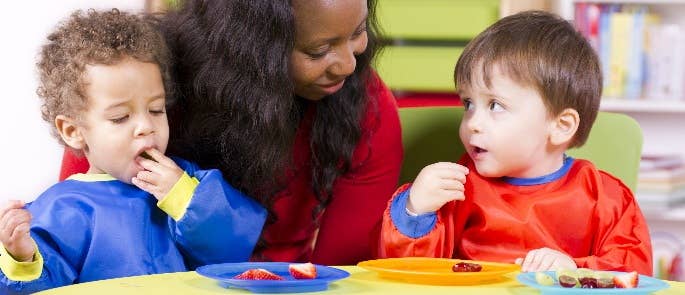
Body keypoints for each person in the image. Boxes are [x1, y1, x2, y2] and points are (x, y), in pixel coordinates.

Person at [0, 9, 266, 294]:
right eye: (120, 118)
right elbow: (41, 288)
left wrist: (186, 199)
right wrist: (22, 259)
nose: (145, 127)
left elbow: (232, 248)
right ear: (73, 131)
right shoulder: (61, 208)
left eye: (155, 109)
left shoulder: (184, 182)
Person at [378, 10, 652, 275]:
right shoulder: (457, 186)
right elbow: (409, 274)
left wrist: (575, 270)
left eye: (495, 105)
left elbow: (634, 273)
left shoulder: (605, 198)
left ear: (560, 126)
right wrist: (415, 212)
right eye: (469, 103)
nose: (473, 121)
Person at [156, 0, 403, 265]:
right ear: (249, 45)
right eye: (319, 50)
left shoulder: (368, 107)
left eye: (358, 31)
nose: (347, 65)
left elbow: (340, 271)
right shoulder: (158, 94)